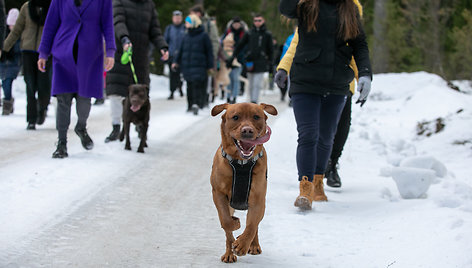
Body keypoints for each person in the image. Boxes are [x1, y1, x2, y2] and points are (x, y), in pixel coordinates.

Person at [279, 0, 372, 210]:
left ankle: (319, 181)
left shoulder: (350, 7)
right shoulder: (307, 5)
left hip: (337, 83)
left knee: (326, 136)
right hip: (305, 81)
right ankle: (305, 187)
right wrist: (283, 68)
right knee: (308, 134)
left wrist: (364, 74)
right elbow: (285, 9)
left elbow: (360, 44)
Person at [38, 0, 116, 158]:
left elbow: (108, 24)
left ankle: (81, 127)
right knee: (63, 100)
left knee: (84, 101)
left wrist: (110, 51)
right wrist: (43, 53)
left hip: (89, 56)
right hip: (63, 54)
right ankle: (61, 143)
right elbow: (50, 25)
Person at [104, 0, 169, 143]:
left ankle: (140, 125)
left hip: (140, 58)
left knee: (141, 94)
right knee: (116, 92)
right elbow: (118, 21)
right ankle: (116, 126)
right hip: (122, 54)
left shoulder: (149, 5)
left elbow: (155, 30)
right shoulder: (119, 1)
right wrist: (124, 38)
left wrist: (162, 46)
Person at [3, 0, 52, 129]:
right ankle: (31, 119)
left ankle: (42, 108)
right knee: (30, 85)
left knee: (44, 86)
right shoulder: (26, 7)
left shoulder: (53, 7)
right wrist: (4, 48)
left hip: (45, 52)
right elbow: (17, 30)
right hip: (28, 51)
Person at [172, 14, 213, 115]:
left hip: (199, 65)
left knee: (197, 85)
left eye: (187, 22)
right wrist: (175, 61)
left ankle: (196, 104)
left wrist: (210, 65)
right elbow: (180, 51)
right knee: (189, 85)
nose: (186, 24)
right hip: (187, 65)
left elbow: (209, 52)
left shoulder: (203, 36)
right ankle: (189, 105)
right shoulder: (185, 36)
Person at [227, 14, 273, 104]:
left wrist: (270, 63)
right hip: (250, 62)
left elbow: (270, 50)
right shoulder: (249, 33)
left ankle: (254, 101)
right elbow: (240, 45)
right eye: (255, 20)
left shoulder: (267, 34)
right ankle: (250, 101)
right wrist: (233, 56)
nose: (257, 22)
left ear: (263, 21)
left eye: (259, 20)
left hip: (261, 62)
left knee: (257, 84)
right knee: (250, 84)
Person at [189, 5, 219, 107]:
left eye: (193, 13)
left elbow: (215, 41)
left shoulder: (209, 24)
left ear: (199, 13)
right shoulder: (191, 23)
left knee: (208, 79)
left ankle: (206, 98)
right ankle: (198, 101)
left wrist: (212, 55)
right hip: (196, 57)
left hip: (208, 56)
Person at [220, 16, 247, 104]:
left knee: (235, 79)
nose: (236, 25)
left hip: (239, 60)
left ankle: (234, 97)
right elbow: (222, 44)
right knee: (228, 79)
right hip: (228, 60)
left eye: (237, 24)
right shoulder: (227, 32)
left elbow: (245, 47)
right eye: (235, 24)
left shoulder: (244, 34)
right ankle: (228, 96)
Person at [0, 8, 21, 116]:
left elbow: (20, 49)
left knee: (7, 82)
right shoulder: (4, 33)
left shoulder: (19, 35)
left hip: (13, 63)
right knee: (4, 83)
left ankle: (7, 105)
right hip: (3, 63)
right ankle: (8, 101)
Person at [164, 10, 185, 100]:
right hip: (172, 55)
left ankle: (180, 87)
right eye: (175, 18)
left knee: (181, 74)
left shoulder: (184, 28)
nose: (177, 20)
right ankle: (172, 91)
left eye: (179, 18)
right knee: (172, 74)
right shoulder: (169, 29)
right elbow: (165, 41)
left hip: (182, 56)